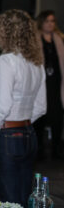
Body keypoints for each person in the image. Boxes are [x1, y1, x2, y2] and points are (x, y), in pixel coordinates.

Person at [0, 9, 46, 208]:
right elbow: (41, 107)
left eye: (0, 28)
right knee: (23, 204)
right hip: (28, 134)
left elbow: (3, 105)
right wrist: (23, 121)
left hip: (7, 137)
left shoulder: (7, 61)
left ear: (10, 32)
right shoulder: (36, 63)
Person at [34, 10, 64, 159]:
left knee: (57, 116)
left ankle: (57, 149)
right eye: (47, 21)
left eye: (52, 21)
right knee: (40, 115)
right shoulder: (35, 40)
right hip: (41, 83)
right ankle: (38, 148)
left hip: (56, 83)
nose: (50, 24)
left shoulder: (59, 39)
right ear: (41, 22)